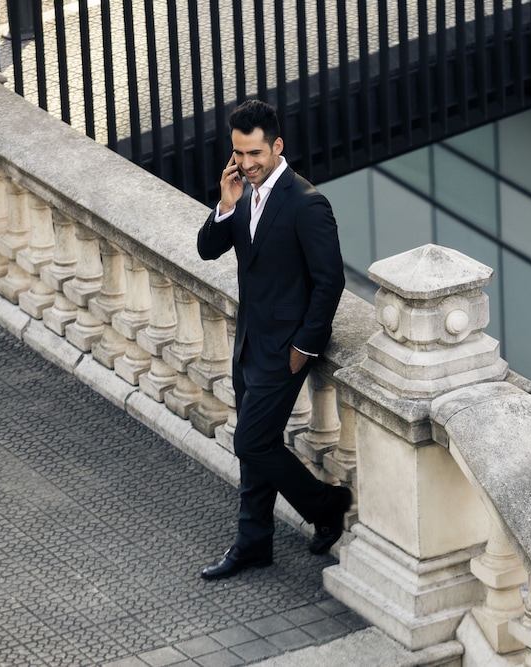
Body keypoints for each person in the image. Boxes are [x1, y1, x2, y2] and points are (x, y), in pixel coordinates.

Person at [197, 99, 351, 580]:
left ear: (277, 146)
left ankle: (327, 504)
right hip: (249, 342)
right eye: (239, 153)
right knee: (256, 445)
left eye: (255, 153)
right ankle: (253, 544)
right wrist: (225, 205)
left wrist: (305, 347)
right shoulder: (243, 194)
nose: (246, 163)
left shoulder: (307, 203)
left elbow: (330, 280)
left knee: (251, 442)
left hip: (286, 349)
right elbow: (206, 250)